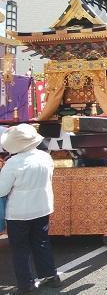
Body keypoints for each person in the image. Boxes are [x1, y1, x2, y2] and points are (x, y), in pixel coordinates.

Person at [0, 124, 61, 294]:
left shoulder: (13, 163)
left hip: (19, 212)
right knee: (41, 242)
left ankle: (26, 284)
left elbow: (2, 190)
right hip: (42, 207)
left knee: (20, 248)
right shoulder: (45, 158)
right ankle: (51, 276)